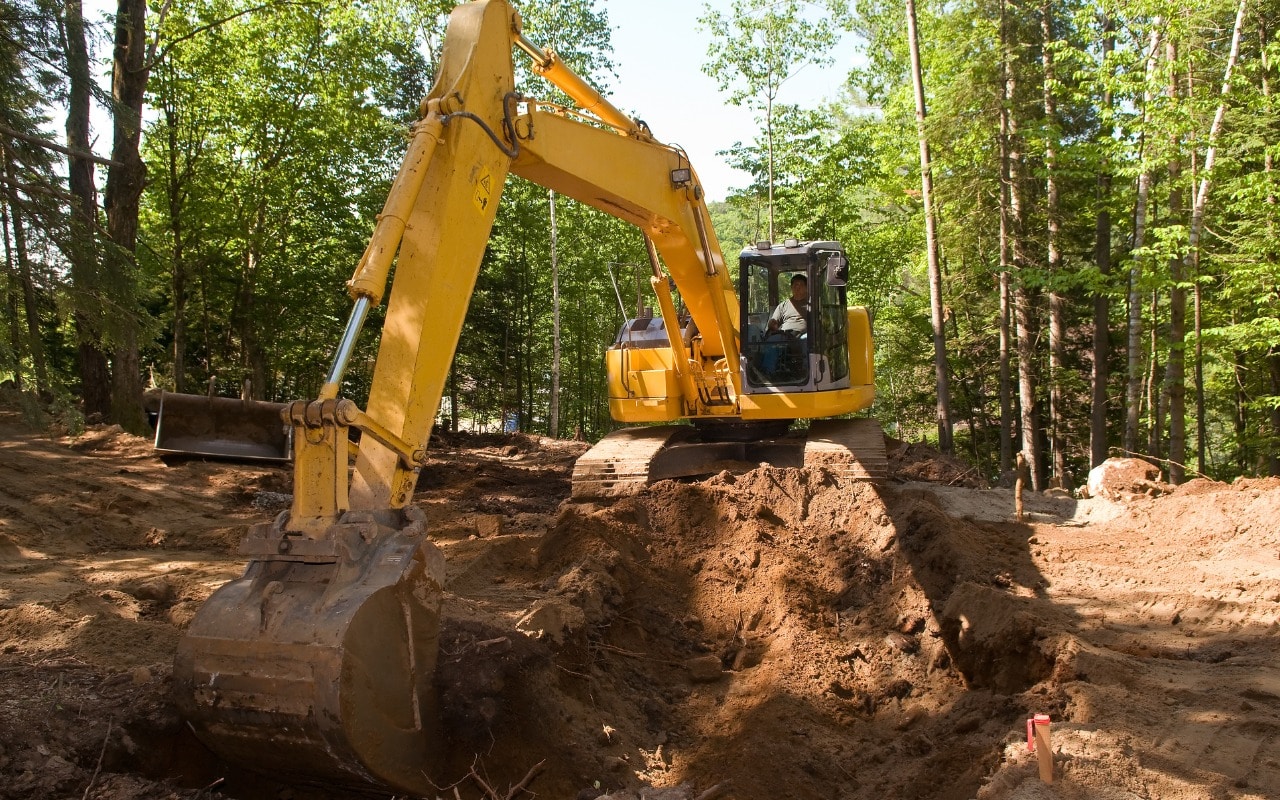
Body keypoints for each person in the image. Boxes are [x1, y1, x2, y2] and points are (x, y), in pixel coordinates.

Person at [760, 273, 809, 376]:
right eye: (795, 285)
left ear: (806, 287)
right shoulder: (784, 305)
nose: (798, 287)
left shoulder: (812, 304)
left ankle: (807, 373)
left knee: (808, 341)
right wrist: (772, 324)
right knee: (771, 342)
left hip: (804, 334)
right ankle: (768, 374)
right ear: (791, 287)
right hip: (785, 334)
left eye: (801, 285)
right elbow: (773, 321)